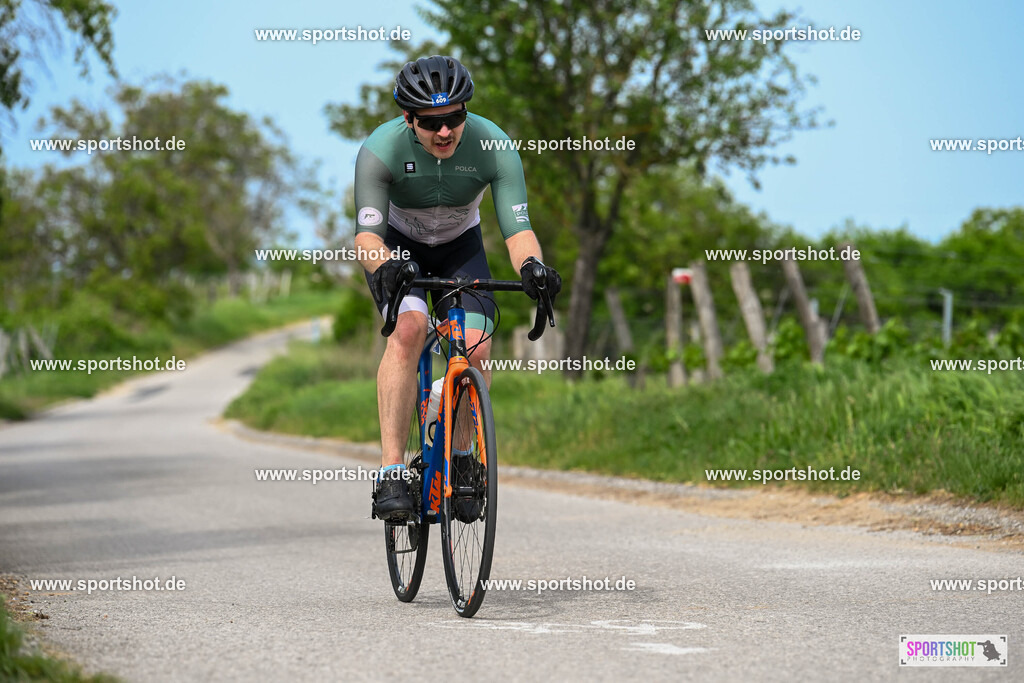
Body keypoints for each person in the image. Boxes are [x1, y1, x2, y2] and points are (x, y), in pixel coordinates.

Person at [354, 55, 561, 521]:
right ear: (408, 120)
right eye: (431, 124)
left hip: (458, 246)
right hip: (397, 247)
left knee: (477, 347)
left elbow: (517, 229)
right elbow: (366, 236)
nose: (445, 132)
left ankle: (464, 457)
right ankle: (390, 471)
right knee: (408, 330)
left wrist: (533, 266)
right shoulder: (379, 149)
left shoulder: (494, 145)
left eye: (454, 118)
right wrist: (383, 265)